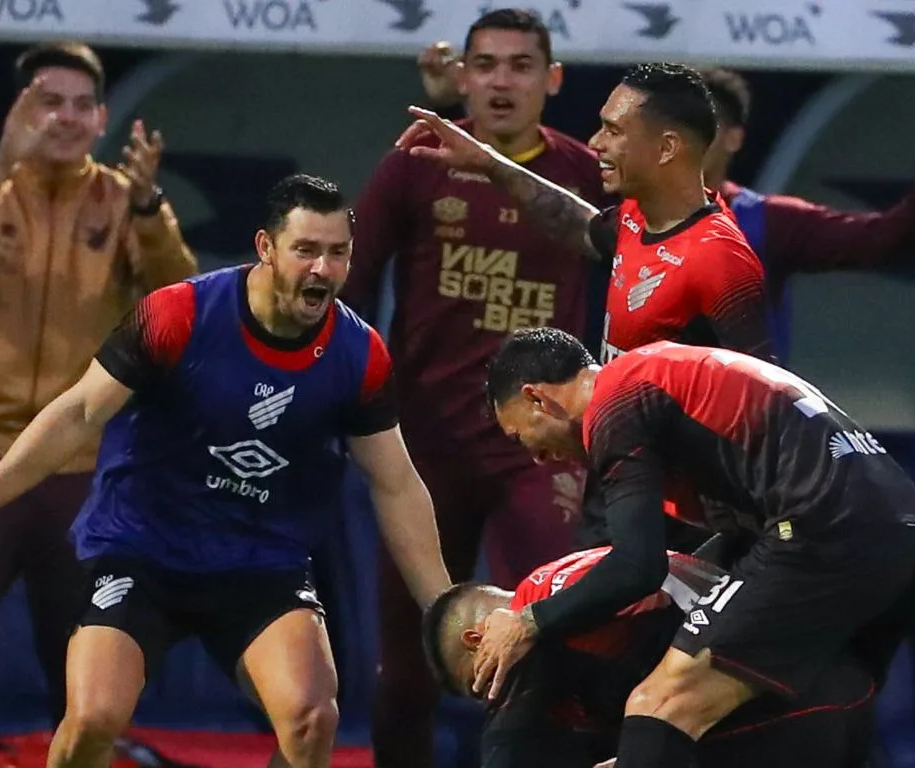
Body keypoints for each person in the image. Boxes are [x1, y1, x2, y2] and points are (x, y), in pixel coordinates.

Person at [0, 174, 452, 768]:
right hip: (145, 554)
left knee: (313, 719)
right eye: (306, 250)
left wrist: (443, 606)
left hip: (262, 566)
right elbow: (78, 411)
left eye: (337, 253)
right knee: (90, 721)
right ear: (266, 247)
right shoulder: (179, 314)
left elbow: (395, 483)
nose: (322, 269)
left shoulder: (359, 355)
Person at [0, 41, 196, 768]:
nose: (62, 118)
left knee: (85, 677)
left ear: (101, 117)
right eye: (45, 101)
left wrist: (152, 208)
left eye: (78, 105)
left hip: (83, 468)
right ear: (18, 113)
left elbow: (180, 295)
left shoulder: (129, 201)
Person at [473, 327, 915, 768]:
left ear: (538, 398)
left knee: (657, 703)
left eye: (521, 438)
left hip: (826, 531)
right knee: (820, 706)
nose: (535, 458)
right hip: (913, 538)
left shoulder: (615, 404)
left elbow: (637, 566)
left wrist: (528, 621)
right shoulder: (665, 375)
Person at [339, 12, 605, 767]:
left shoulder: (583, 174)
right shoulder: (415, 162)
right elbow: (353, 285)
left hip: (542, 451)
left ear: (552, 82)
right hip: (424, 452)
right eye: (485, 64)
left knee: (555, 632)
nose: (501, 81)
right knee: (408, 668)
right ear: (462, 77)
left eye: (521, 66)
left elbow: (642, 276)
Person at [400, 61, 774, 364]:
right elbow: (573, 221)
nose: (596, 143)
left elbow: (763, 405)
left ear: (666, 148)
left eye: (614, 130)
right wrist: (489, 162)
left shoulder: (719, 259)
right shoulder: (635, 218)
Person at [424, 547, 878, 768]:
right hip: (830, 689)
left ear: (475, 638)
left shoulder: (533, 614)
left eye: (480, 680)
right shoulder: (579, 577)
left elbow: (507, 746)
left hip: (788, 714)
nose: (493, 692)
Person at [698, 66, 915, 361]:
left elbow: (882, 240)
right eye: (674, 126)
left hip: (744, 406)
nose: (687, 138)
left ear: (734, 138)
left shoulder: (765, 221)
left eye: (702, 124)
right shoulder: (641, 219)